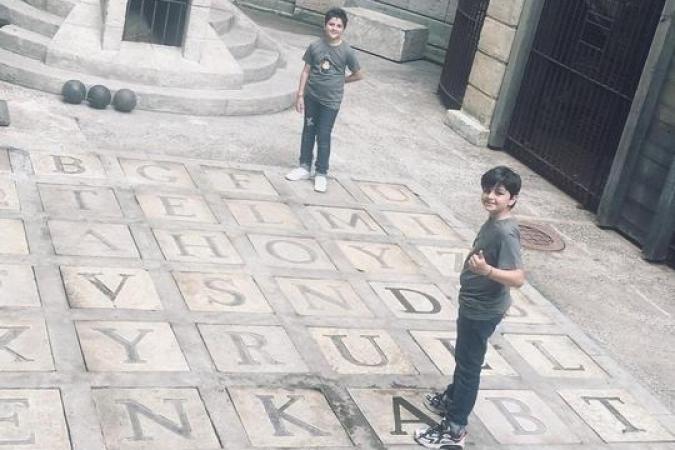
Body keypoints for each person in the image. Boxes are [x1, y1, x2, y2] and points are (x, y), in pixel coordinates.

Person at [414, 166, 525, 449]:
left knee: (468, 367)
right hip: (475, 305)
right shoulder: (494, 221)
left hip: (481, 311)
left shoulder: (506, 232)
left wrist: (487, 271)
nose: (490, 197)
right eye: (487, 190)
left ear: (512, 199)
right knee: (465, 360)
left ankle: (455, 427)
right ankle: (453, 397)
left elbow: (518, 278)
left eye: (499, 193)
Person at [285, 7, 364, 193]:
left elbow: (359, 74)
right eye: (331, 24)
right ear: (325, 25)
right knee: (308, 131)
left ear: (343, 29)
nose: (334, 28)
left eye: (339, 25)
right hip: (312, 97)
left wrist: (341, 80)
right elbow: (306, 71)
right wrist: (300, 95)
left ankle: (321, 173)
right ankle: (304, 167)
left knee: (323, 135)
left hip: (331, 102)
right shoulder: (315, 46)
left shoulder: (347, 52)